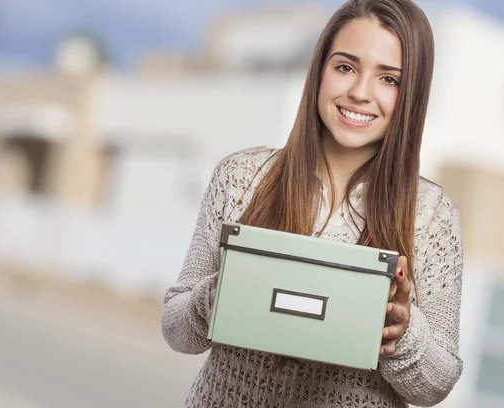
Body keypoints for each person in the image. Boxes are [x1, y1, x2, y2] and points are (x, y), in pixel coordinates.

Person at [162, 0, 464, 406]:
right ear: (319, 70)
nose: (359, 92)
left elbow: (437, 385)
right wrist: (218, 294)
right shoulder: (240, 177)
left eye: (388, 79)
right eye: (345, 67)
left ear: (411, 93)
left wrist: (401, 333)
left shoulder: (432, 216)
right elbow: (177, 330)